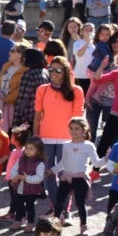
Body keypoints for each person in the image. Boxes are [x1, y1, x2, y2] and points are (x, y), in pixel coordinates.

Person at [34, 56, 85, 207]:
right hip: (45, 138)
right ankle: (57, 207)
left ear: (66, 72)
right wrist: (35, 136)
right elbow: (37, 116)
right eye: (51, 69)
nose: (54, 73)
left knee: (66, 175)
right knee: (48, 174)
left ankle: (66, 209)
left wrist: (77, 139)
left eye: (58, 70)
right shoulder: (42, 90)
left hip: (67, 139)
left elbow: (78, 118)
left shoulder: (77, 91)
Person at [54, 116, 105, 234]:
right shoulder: (66, 145)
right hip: (66, 178)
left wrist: (107, 158)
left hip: (80, 179)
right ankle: (54, 226)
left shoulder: (88, 145)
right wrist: (53, 170)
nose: (73, 131)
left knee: (80, 204)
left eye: (76, 129)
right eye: (71, 128)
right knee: (58, 203)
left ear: (84, 130)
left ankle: (83, 226)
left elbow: (97, 162)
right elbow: (63, 162)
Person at [8, 136, 47, 232]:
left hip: (31, 190)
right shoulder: (21, 159)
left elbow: (39, 178)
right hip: (20, 187)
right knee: (19, 205)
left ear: (38, 151)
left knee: (30, 206)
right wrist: (15, 176)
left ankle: (30, 223)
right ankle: (18, 220)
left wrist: (27, 178)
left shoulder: (40, 164)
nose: (28, 151)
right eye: (26, 148)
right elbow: (14, 169)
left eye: (31, 149)